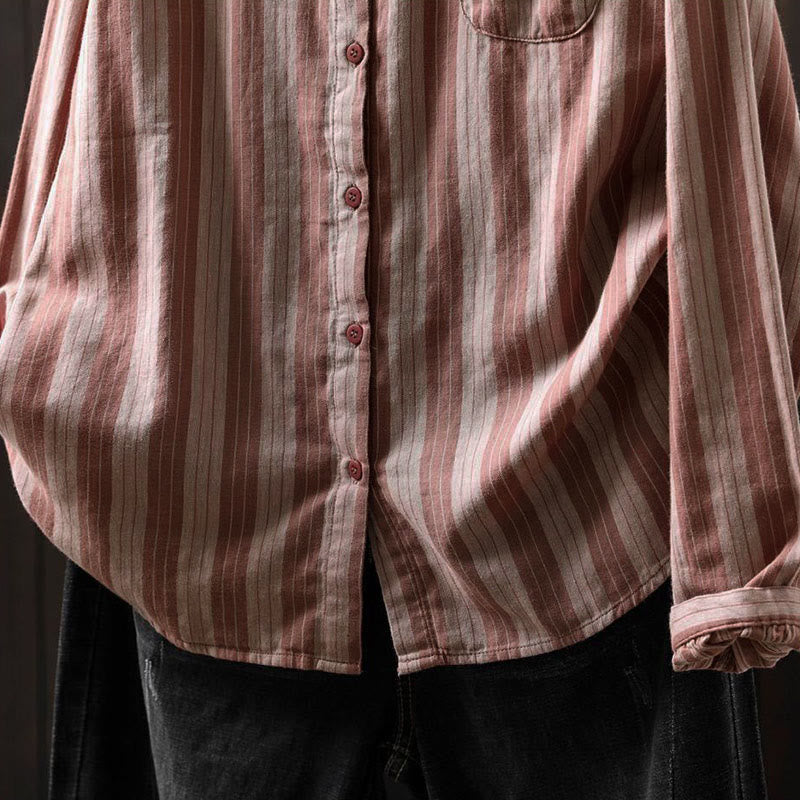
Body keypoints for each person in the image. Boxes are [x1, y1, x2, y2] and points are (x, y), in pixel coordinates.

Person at [1, 1, 798, 797]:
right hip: (224, 541)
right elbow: (81, 107)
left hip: (571, 532)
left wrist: (734, 544)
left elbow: (729, 142)